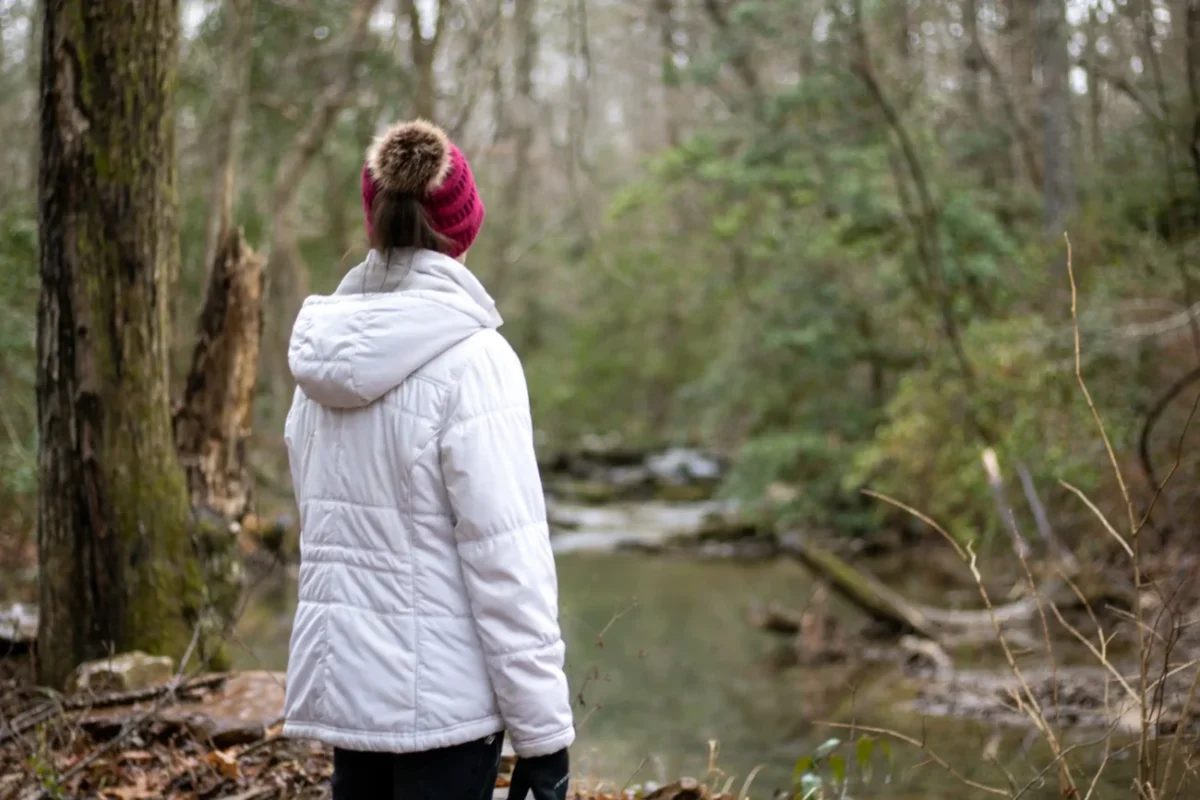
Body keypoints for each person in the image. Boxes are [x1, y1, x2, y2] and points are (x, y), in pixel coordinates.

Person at [281, 119, 574, 800]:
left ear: (373, 226)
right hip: (446, 711)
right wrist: (545, 736)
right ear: (466, 229)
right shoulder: (477, 362)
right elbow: (507, 560)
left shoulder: (318, 357)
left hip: (347, 695)